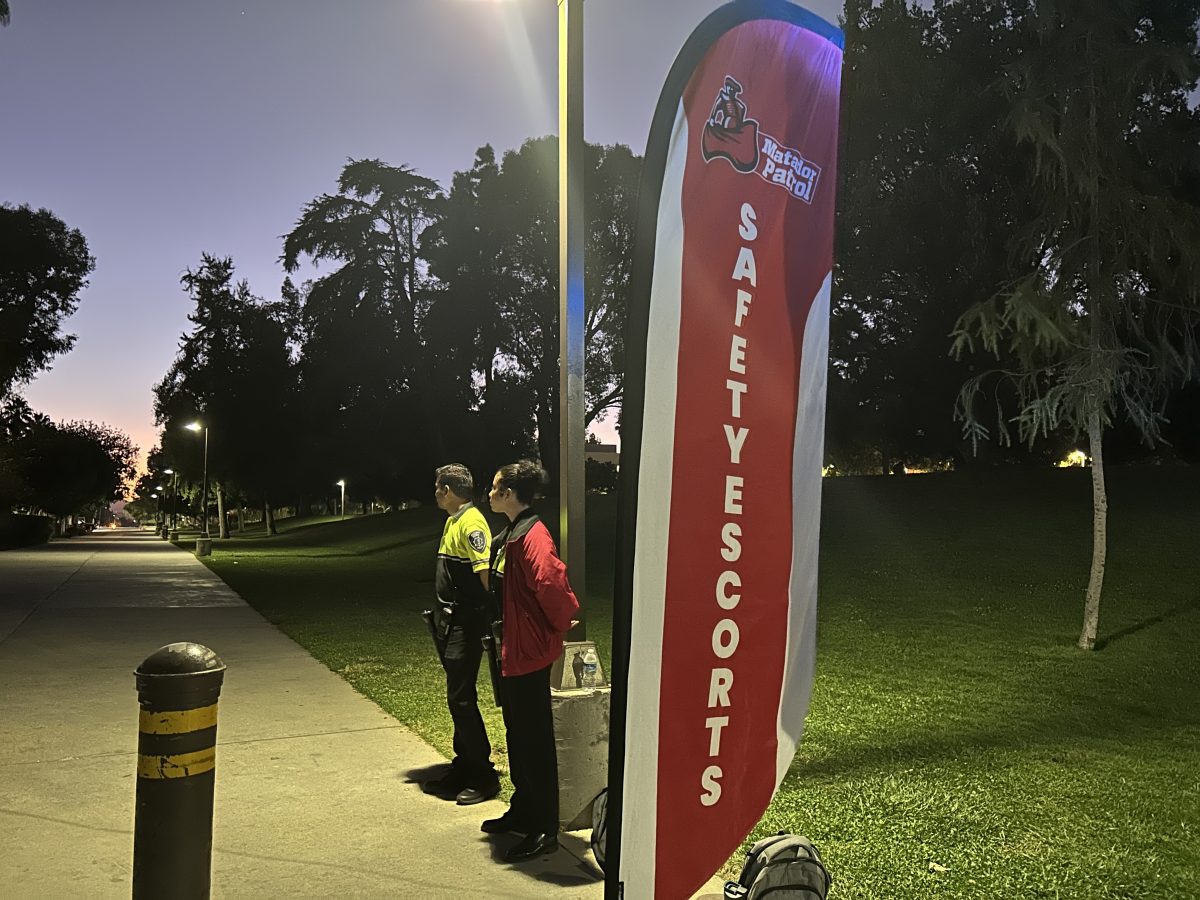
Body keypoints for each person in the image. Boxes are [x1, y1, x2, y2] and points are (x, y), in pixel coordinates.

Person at [480, 460, 580, 864]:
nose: (489, 494)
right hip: (511, 651)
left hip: (528, 653)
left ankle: (544, 827)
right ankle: (524, 809)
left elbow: (552, 583)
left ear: (508, 494)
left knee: (535, 740)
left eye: (493, 488)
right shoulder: (510, 535)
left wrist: (562, 620)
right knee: (518, 733)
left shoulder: (533, 535)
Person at [423, 463, 500, 805]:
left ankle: (482, 775)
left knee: (462, 698)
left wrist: (494, 617)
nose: (436, 494)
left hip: (466, 624)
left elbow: (485, 576)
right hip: (451, 622)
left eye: (438, 488)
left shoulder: (470, 523)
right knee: (458, 697)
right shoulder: (454, 520)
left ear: (448, 491)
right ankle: (465, 765)